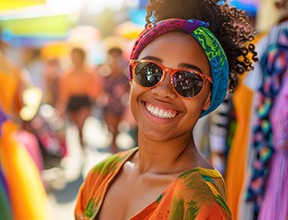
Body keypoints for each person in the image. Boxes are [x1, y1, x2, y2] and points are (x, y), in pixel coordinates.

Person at [74, 0, 256, 219]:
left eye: (187, 80)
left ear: (208, 98)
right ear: (132, 77)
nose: (163, 90)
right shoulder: (100, 175)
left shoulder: (201, 206)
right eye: (149, 71)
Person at [57, 47, 102, 153]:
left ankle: (82, 144)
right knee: (77, 126)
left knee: (81, 124)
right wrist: (61, 107)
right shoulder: (67, 74)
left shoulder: (89, 72)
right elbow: (64, 92)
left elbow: (95, 88)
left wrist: (95, 98)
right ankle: (81, 144)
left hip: (84, 100)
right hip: (73, 101)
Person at [99, 47, 130, 153]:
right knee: (111, 128)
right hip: (108, 104)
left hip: (119, 104)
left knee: (116, 129)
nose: (115, 58)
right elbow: (100, 89)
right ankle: (113, 148)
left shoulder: (124, 73)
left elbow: (129, 88)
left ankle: (114, 149)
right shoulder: (104, 73)